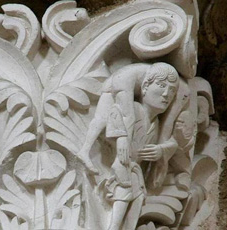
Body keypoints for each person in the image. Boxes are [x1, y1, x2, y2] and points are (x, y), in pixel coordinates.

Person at [77, 63, 179, 230]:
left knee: (136, 196)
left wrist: (161, 151)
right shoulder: (134, 107)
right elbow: (115, 113)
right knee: (125, 188)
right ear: (145, 86)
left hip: (135, 172)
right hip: (120, 167)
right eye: (161, 86)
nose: (166, 94)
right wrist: (122, 136)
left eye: (172, 91)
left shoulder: (156, 122)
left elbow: (171, 142)